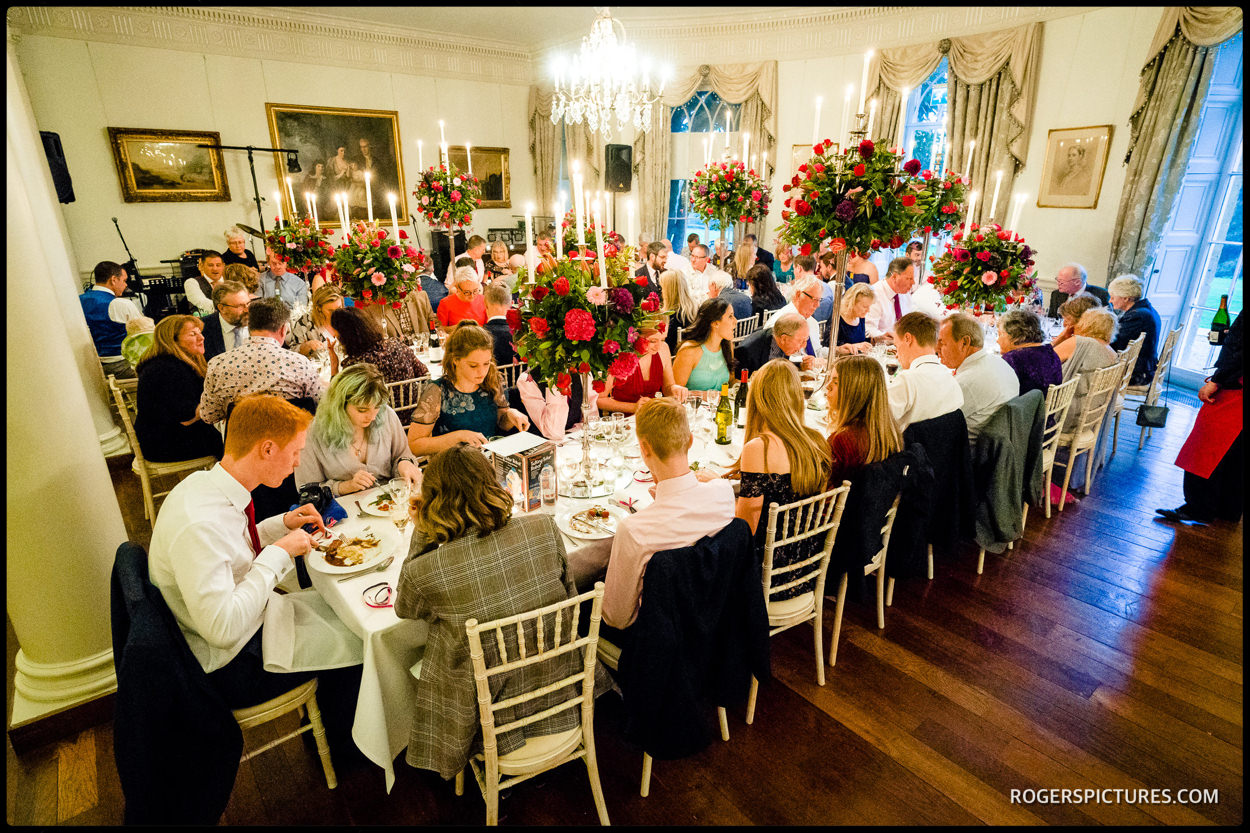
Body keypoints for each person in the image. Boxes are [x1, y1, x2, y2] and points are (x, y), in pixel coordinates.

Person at [394, 443, 588, 779]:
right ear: (493, 483)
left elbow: (405, 608)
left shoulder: (427, 570)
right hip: (560, 688)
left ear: (433, 501)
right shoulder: (544, 528)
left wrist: (422, 528)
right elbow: (568, 600)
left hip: (482, 717)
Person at [146, 394, 335, 701]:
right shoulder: (199, 524)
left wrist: (281, 524)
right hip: (231, 664)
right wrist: (281, 553)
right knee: (355, 645)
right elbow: (223, 630)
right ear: (268, 449)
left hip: (248, 626)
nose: (299, 462)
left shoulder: (205, 486)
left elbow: (228, 551)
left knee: (334, 612)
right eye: (296, 452)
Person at [603, 397, 736, 629]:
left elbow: (617, 618)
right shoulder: (724, 493)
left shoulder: (635, 530)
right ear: (691, 441)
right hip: (720, 628)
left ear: (644, 449)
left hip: (662, 648)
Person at [734, 360, 832, 598]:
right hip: (806, 565)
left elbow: (744, 528)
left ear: (759, 399)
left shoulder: (760, 448)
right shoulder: (816, 440)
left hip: (768, 574)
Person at [1159, 312, 1243, 525]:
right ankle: (1227, 509)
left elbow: (1239, 349)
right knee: (1235, 452)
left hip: (1237, 388)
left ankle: (1199, 507)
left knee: (1206, 445)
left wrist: (1216, 380)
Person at [295, 363, 420, 496]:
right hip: (343, 510)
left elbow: (402, 454)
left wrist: (404, 463)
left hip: (390, 503)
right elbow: (307, 490)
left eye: (376, 406)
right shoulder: (313, 433)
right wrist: (344, 487)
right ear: (340, 405)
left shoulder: (386, 414)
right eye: (362, 410)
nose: (372, 416)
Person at [199, 297, 325, 425]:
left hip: (241, 441)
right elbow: (319, 407)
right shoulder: (300, 364)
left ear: (249, 326)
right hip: (288, 439)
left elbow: (208, 415)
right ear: (283, 329)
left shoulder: (218, 364)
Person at [407, 324, 530, 454]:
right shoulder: (438, 390)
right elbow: (415, 445)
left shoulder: (493, 380)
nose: (482, 371)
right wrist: (459, 437)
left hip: (490, 459)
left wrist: (511, 415)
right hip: (454, 465)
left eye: (486, 363)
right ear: (455, 360)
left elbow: (501, 424)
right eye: (473, 365)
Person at [133, 314, 225, 462]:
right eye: (193, 334)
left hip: (173, 434)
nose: (201, 338)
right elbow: (187, 417)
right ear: (172, 340)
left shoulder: (180, 362)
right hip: (165, 444)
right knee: (237, 442)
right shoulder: (166, 368)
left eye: (199, 332)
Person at [937, 312, 1019, 441]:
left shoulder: (966, 382)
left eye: (942, 343)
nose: (937, 349)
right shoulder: (1000, 363)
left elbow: (935, 423)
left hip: (968, 453)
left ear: (964, 342)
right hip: (1001, 447)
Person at [825, 355, 904, 485]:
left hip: (846, 504)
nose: (828, 386)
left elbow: (825, 492)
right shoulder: (888, 430)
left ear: (855, 392)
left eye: (836, 382)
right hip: (873, 503)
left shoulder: (842, 440)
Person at [889, 311, 964, 430]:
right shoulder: (952, 380)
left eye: (897, 346)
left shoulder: (907, 381)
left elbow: (877, 423)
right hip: (944, 448)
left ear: (908, 338)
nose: (897, 355)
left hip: (908, 446)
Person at [1057, 307, 1120, 433]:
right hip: (1090, 417)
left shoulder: (1080, 343)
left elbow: (1043, 362)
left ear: (1086, 324)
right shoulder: (1112, 353)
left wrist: (1060, 338)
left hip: (1066, 415)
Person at [598, 325, 688, 413]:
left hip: (654, 417)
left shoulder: (664, 349)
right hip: (624, 420)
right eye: (653, 341)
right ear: (637, 335)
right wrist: (634, 407)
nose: (659, 346)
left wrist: (675, 389)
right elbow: (600, 400)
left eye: (663, 339)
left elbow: (668, 387)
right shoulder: (618, 354)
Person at [80, 260, 144, 380]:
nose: (126, 285)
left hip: (91, 368)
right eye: (124, 280)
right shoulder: (120, 304)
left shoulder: (78, 300)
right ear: (113, 280)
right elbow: (144, 336)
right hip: (121, 367)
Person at [333, 306, 428, 385]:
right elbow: (424, 373)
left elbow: (337, 397)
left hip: (379, 407)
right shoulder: (397, 345)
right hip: (413, 405)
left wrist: (334, 366)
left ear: (345, 337)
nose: (334, 336)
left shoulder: (354, 365)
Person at [1108, 274, 1161, 386]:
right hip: (1145, 368)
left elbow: (1116, 346)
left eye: (1113, 297)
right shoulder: (1145, 309)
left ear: (1126, 298)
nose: (1110, 301)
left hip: (1137, 374)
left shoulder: (1137, 316)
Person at [673, 298, 735, 393]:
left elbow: (730, 382)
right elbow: (674, 394)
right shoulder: (689, 351)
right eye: (730, 316)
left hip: (720, 406)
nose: (736, 321)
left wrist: (747, 383)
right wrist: (706, 396)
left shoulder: (728, 346)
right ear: (715, 323)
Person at [997, 307, 1063, 396]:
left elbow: (1000, 395)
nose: (997, 340)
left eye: (1000, 334)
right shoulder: (1049, 351)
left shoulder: (1013, 359)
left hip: (1026, 409)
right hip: (1048, 407)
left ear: (1016, 335)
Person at [517, 371, 599, 440]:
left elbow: (591, 419)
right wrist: (555, 385)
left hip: (575, 441)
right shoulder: (527, 379)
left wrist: (576, 432)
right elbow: (553, 433)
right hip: (545, 451)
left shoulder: (580, 370)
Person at [767, 265, 823, 357]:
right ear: (798, 295)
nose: (817, 305)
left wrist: (838, 350)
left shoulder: (812, 322)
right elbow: (775, 358)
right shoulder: (779, 323)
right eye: (814, 299)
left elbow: (817, 352)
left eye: (819, 300)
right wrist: (802, 363)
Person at [736, 312, 813, 374]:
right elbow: (737, 384)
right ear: (784, 339)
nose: (804, 345)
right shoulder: (748, 351)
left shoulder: (779, 339)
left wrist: (800, 365)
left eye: (806, 339)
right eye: (801, 341)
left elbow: (779, 364)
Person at [286, 283, 343, 368]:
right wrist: (307, 346)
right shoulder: (305, 323)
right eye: (330, 311)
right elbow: (293, 354)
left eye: (339, 308)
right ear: (318, 308)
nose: (336, 314)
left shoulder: (347, 319)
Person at [864, 257, 916, 340]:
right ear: (894, 277)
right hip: (880, 347)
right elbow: (868, 329)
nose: (913, 282)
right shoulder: (874, 294)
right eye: (909, 278)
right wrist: (882, 336)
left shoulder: (905, 294)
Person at [201, 280, 251, 362]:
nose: (247, 310)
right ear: (222, 308)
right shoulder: (203, 329)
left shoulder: (261, 322)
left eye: (248, 303)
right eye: (240, 306)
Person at [256, 246, 311, 313]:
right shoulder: (260, 280)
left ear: (286, 263)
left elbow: (302, 309)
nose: (277, 266)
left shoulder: (299, 284)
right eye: (274, 263)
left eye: (280, 263)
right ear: (268, 262)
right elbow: (256, 307)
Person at [660, 268, 701, 355]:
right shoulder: (693, 307)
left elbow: (667, 345)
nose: (661, 291)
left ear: (669, 291)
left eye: (662, 288)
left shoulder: (674, 316)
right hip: (694, 356)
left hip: (676, 359)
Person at [482, 281, 517, 367]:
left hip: (490, 380)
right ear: (512, 304)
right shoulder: (522, 334)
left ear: (485, 305)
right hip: (520, 379)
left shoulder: (480, 335)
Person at [835, 282, 875, 354]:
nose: (868, 310)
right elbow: (828, 348)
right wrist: (855, 346)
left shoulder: (860, 317)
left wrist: (875, 340)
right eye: (865, 307)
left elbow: (859, 340)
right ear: (852, 303)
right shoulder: (837, 319)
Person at [184, 250, 225, 315]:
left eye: (218, 265)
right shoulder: (192, 282)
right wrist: (227, 308)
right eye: (210, 265)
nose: (215, 269)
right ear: (202, 266)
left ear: (223, 266)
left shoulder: (230, 281)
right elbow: (201, 302)